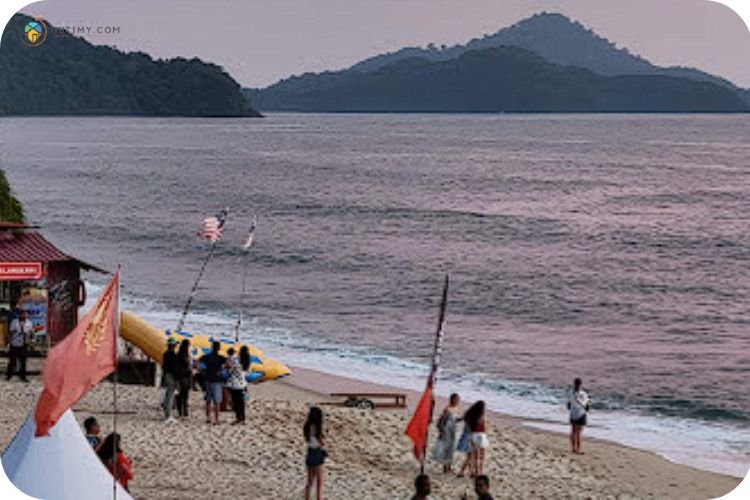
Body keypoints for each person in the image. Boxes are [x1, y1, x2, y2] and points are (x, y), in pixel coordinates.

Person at [432, 393, 461, 473]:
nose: (458, 401)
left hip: (453, 430)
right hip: (447, 431)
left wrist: (461, 419)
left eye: (458, 400)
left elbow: (455, 420)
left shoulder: (456, 408)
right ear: (452, 400)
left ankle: (449, 467)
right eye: (457, 399)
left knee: (451, 449)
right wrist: (441, 431)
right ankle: (445, 467)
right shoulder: (447, 409)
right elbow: (442, 420)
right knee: (446, 449)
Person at [200, 340, 226, 425]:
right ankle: (216, 419)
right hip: (217, 380)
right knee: (217, 401)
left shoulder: (207, 357)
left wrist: (201, 370)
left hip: (208, 379)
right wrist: (222, 369)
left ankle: (208, 418)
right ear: (219, 348)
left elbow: (197, 362)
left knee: (208, 400)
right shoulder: (221, 358)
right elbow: (229, 364)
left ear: (211, 347)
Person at [303, 406, 327, 500]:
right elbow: (322, 442)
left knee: (309, 481)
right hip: (317, 452)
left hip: (309, 452)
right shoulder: (318, 428)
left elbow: (308, 439)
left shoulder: (306, 427)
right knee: (319, 481)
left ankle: (307, 498)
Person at [6, 310, 32, 382]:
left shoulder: (29, 323)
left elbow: (30, 333)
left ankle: (23, 376)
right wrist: (9, 342)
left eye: (26, 314)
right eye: (23, 314)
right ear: (19, 315)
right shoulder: (14, 322)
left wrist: (30, 342)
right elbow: (11, 332)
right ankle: (9, 375)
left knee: (23, 361)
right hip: (15, 343)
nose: (24, 316)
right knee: (12, 360)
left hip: (24, 344)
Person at [465, 400, 489, 477]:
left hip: (473, 435)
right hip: (481, 436)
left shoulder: (473, 417)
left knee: (475, 456)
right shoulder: (482, 417)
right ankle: (480, 471)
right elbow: (484, 429)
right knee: (482, 456)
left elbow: (470, 428)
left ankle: (475, 471)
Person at [225, 347, 248, 425]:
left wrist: (227, 365)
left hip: (235, 384)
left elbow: (230, 370)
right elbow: (247, 373)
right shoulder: (247, 362)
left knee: (236, 402)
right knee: (241, 403)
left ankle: (238, 418)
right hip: (243, 383)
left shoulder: (236, 361)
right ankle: (243, 418)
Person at [568, 377, 590, 455]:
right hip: (581, 414)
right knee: (579, 433)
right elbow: (587, 406)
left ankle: (573, 448)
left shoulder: (571, 392)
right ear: (580, 384)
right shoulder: (583, 394)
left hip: (573, 414)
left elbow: (568, 405)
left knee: (573, 432)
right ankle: (578, 450)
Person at [161, 337, 179, 424]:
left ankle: (167, 412)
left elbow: (164, 366)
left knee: (168, 394)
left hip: (166, 375)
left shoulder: (165, 354)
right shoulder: (173, 355)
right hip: (171, 375)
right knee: (170, 396)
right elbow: (175, 368)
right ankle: (168, 415)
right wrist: (177, 379)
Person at [174, 339, 193, 419]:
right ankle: (184, 412)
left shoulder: (179, 354)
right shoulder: (184, 355)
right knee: (184, 395)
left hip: (181, 376)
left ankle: (181, 412)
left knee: (180, 395)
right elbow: (186, 365)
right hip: (184, 376)